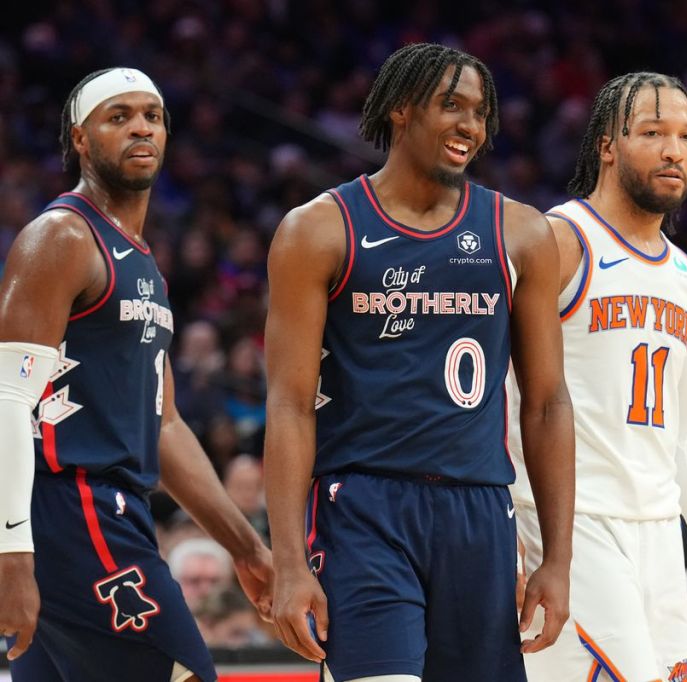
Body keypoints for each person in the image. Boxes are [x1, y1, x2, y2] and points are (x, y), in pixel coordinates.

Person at [263, 43, 574, 682]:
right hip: (362, 508)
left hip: (479, 511)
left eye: (480, 112)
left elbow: (546, 403)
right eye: (451, 105)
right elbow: (290, 404)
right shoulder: (318, 229)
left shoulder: (521, 233)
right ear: (401, 109)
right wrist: (289, 563)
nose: (470, 125)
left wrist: (557, 560)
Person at [0, 67, 273, 682]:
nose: (141, 128)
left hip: (109, 508)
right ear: (80, 138)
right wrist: (10, 551)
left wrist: (247, 547)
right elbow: (6, 398)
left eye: (152, 116)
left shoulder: (144, 263)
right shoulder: (61, 238)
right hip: (71, 506)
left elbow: (166, 426)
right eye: (118, 117)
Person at [510, 71, 687, 682]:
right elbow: (500, 398)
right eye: (653, 132)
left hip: (658, 537)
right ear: (608, 145)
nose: (674, 151)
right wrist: (504, 532)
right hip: (566, 526)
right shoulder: (559, 241)